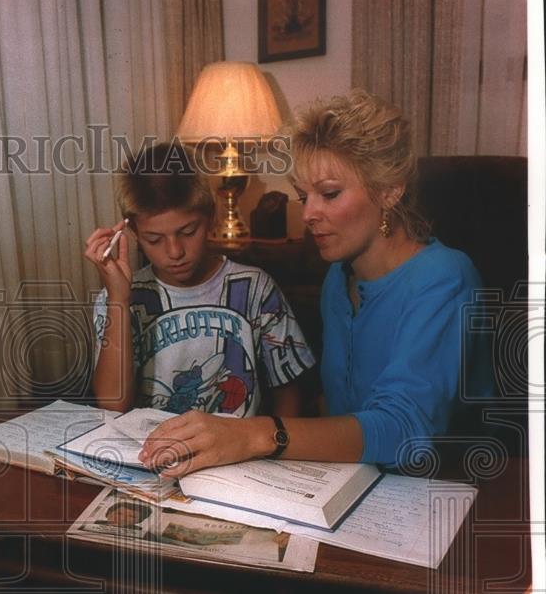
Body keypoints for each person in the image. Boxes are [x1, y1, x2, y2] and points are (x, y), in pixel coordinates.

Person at [138, 90, 492, 474]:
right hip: (353, 480)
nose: (308, 214)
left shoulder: (445, 278)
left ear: (390, 190)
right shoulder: (337, 278)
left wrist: (253, 435)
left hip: (444, 488)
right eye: (303, 196)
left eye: (329, 194)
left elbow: (405, 428)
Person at [84, 142, 315, 428]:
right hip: (148, 453)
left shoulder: (256, 288)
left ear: (210, 216)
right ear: (132, 233)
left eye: (188, 232)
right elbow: (112, 404)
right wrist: (119, 299)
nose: (174, 251)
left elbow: (288, 391)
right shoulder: (119, 298)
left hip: (234, 458)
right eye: (154, 239)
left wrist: (272, 451)